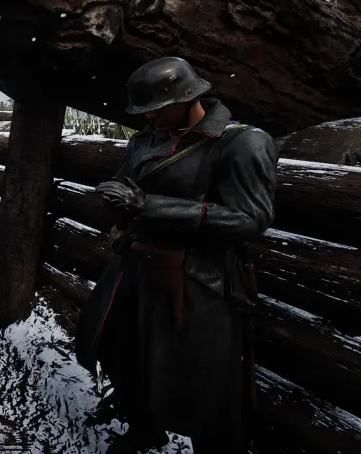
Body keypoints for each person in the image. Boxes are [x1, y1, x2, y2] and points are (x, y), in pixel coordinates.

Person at [74, 57, 278, 453]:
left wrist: (147, 205)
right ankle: (143, 426)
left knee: (203, 380)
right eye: (143, 109)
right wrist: (116, 197)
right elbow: (126, 183)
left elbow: (250, 217)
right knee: (120, 349)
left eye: (155, 107)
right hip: (136, 266)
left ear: (187, 98)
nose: (148, 115)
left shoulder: (241, 142)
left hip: (199, 278)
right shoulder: (144, 140)